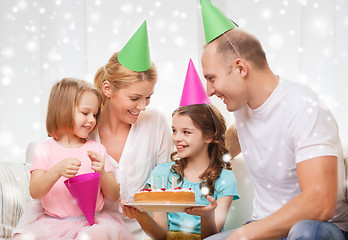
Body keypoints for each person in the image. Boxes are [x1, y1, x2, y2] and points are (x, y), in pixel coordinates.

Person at [198, 0, 348, 239]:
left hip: (319, 229)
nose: (209, 90)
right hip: (265, 229)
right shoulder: (244, 108)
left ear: (240, 68)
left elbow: (321, 203)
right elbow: (237, 138)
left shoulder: (304, 108)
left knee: (305, 230)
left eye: (212, 78)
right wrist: (202, 166)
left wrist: (245, 234)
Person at [122, 59, 239, 240]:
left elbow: (214, 236)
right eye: (174, 131)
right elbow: (160, 235)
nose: (177, 138)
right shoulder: (162, 174)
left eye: (186, 132)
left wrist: (207, 215)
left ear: (209, 136)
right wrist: (140, 215)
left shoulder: (224, 179)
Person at [14, 78, 133, 240]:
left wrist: (102, 173)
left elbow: (113, 195)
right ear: (63, 110)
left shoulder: (96, 149)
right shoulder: (44, 150)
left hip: (93, 224)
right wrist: (57, 170)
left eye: (95, 114)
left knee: (94, 236)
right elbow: (35, 191)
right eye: (85, 113)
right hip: (54, 224)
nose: (92, 119)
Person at [91, 21, 173, 239]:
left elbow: (161, 193)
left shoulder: (156, 123)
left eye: (148, 98)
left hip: (144, 233)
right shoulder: (87, 128)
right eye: (135, 98)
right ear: (107, 89)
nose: (143, 107)